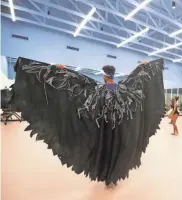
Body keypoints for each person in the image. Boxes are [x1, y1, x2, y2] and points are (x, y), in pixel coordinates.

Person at [12, 57, 165, 189]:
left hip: (103, 129)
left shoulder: (97, 90)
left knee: (104, 150)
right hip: (119, 129)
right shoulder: (123, 90)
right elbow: (135, 79)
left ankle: (107, 177)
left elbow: (76, 82)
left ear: (104, 76)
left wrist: (62, 71)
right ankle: (112, 177)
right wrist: (141, 67)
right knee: (116, 149)